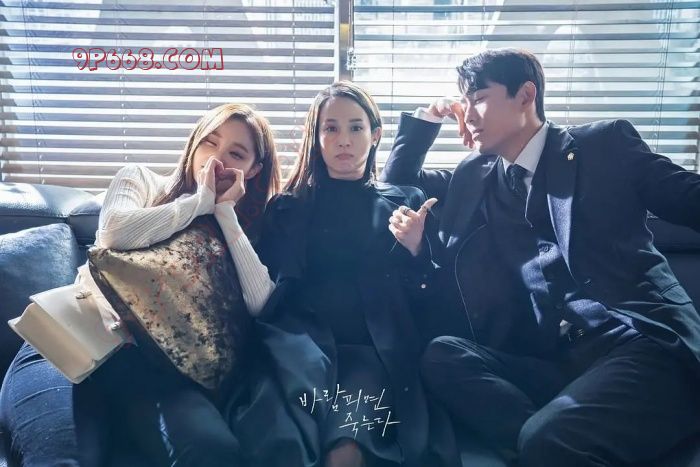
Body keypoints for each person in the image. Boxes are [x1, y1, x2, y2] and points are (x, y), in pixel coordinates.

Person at [380, 48, 700, 466]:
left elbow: (688, 198)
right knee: (442, 355)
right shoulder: (476, 175)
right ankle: (552, 442)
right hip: (555, 358)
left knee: (546, 438)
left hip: (637, 340)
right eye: (464, 101)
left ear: (526, 95)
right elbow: (396, 187)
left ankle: (552, 441)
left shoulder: (603, 145)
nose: (468, 114)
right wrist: (428, 119)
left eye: (479, 98)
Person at [0, 103, 281, 467]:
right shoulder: (141, 180)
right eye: (210, 142)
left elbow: (262, 303)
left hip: (153, 369)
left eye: (236, 154)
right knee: (60, 459)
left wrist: (224, 212)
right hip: (69, 336)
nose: (217, 159)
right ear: (194, 142)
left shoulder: (240, 228)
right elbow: (114, 233)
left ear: (253, 169)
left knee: (213, 452)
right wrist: (198, 203)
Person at [228, 81, 459, 467]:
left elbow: (429, 299)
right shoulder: (286, 207)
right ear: (316, 138)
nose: (344, 140)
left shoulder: (405, 202)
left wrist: (417, 250)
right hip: (299, 347)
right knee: (282, 442)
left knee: (346, 449)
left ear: (375, 135)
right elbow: (264, 290)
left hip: (370, 353)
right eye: (331, 128)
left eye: (355, 127)